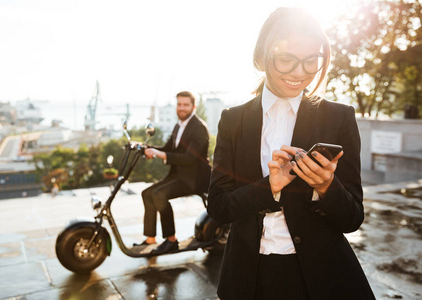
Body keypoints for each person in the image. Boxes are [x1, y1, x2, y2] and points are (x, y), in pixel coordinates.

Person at [207, 7, 375, 300]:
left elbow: (352, 218)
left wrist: (326, 187)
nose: (300, 73)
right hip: (248, 277)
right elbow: (219, 208)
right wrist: (268, 187)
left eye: (311, 61)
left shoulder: (339, 118)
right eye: (287, 59)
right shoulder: (232, 120)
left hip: (322, 277)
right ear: (262, 57)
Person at [135, 91, 211, 254]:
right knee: (147, 193)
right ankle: (150, 239)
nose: (182, 108)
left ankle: (171, 240)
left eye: (186, 105)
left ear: (193, 107)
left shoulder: (199, 128)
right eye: (179, 104)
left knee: (159, 195)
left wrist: (159, 154)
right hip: (179, 175)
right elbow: (168, 149)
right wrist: (146, 148)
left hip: (195, 178)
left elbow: (190, 158)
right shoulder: (179, 126)